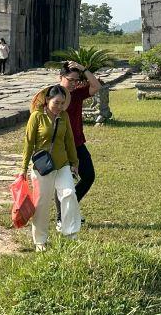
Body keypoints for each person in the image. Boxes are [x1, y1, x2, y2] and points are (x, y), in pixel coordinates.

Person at [18, 84, 80, 250]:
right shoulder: (36, 117)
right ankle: (40, 241)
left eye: (62, 103)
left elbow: (69, 140)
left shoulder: (64, 116)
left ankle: (71, 235)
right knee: (42, 204)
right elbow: (28, 143)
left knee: (69, 193)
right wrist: (23, 168)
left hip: (62, 164)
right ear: (47, 100)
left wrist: (75, 162)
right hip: (42, 167)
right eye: (56, 103)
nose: (59, 107)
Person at [56, 60, 100, 225]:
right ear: (61, 77)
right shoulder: (53, 94)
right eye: (70, 80)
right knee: (63, 181)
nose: (74, 83)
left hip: (78, 142)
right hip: (60, 145)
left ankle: (71, 208)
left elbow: (96, 86)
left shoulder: (78, 93)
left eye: (76, 80)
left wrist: (83, 69)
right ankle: (61, 218)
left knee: (88, 176)